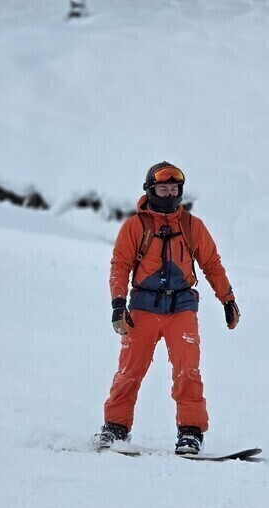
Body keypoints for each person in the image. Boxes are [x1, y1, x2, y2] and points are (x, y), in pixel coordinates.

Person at [94, 162, 240, 454]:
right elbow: (120, 265)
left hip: (181, 308)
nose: (170, 193)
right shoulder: (135, 226)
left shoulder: (192, 226)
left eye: (174, 189)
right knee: (129, 372)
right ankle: (115, 428)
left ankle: (190, 434)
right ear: (151, 190)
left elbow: (211, 264)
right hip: (142, 309)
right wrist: (118, 303)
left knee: (188, 372)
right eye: (163, 189)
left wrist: (227, 299)